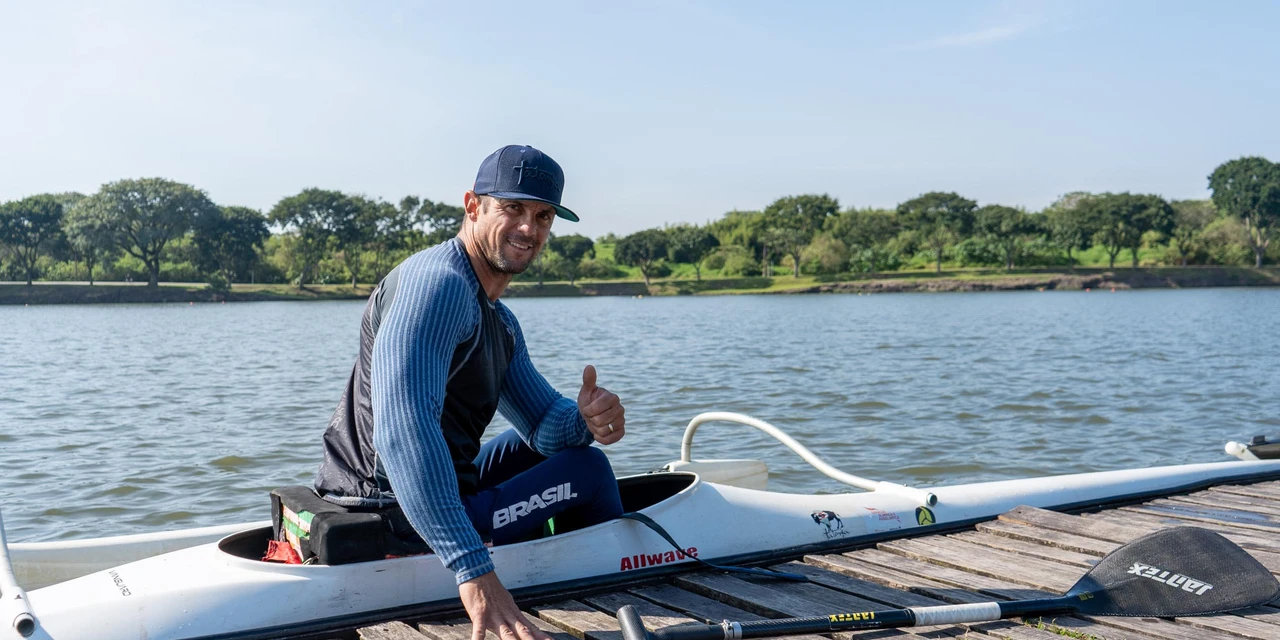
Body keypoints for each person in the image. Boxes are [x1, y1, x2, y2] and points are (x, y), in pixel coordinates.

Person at [313, 145, 625, 640]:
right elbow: (403, 434)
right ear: (473, 206)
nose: (529, 229)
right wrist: (474, 572)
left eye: (543, 216)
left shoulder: (498, 318)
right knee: (588, 471)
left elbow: (543, 424)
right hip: (388, 509)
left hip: (416, 490)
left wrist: (585, 420)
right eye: (513, 208)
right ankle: (609, 597)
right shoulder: (437, 287)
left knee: (552, 449)